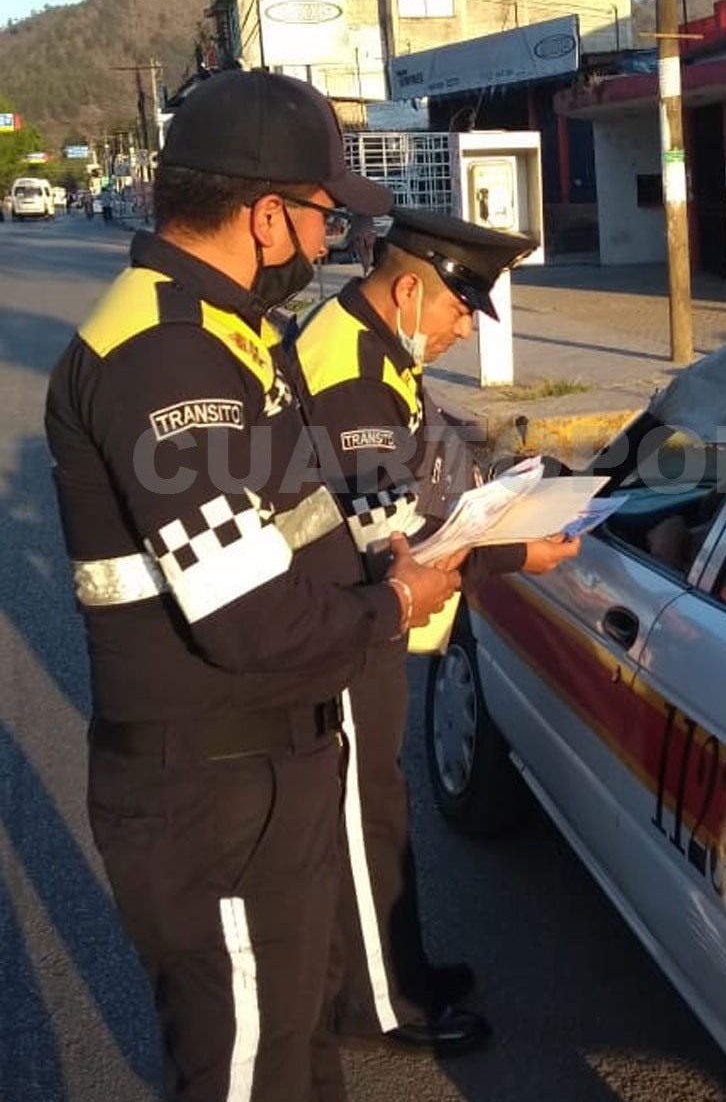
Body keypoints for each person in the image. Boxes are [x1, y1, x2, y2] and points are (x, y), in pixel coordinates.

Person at [44, 70, 462, 1102]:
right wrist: (393, 605)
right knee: (246, 1073)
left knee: (297, 1053)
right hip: (214, 795)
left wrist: (382, 568)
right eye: (325, 215)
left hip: (270, 772)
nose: (334, 240)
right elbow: (247, 614)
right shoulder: (165, 357)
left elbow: (296, 526)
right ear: (267, 217)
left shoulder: (226, 331)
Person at [287, 206, 581, 1054]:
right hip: (343, 616)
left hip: (358, 611)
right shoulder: (352, 372)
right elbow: (398, 539)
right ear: (410, 291)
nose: (464, 328)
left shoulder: (377, 343)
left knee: (378, 802)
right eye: (460, 308)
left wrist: (507, 482)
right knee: (363, 814)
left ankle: (399, 971)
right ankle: (383, 1003)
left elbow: (429, 463)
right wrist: (519, 551)